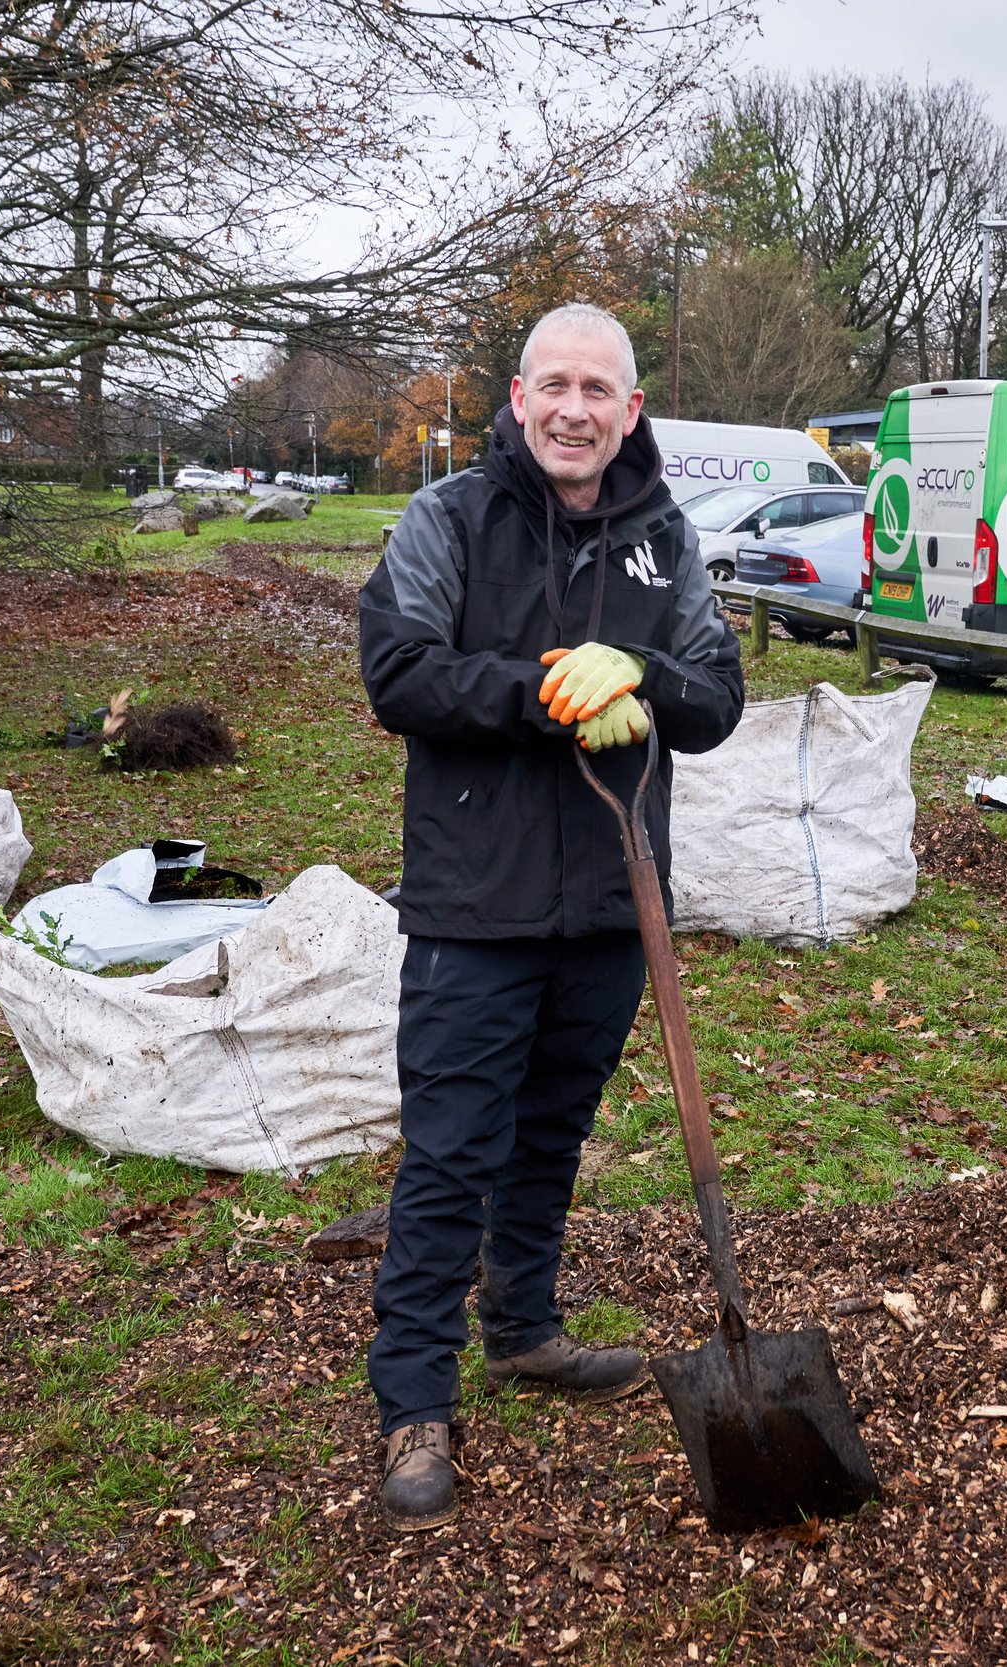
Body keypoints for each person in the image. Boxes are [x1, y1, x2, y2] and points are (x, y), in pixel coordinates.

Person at [355, 303, 746, 1531]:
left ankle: (523, 1326)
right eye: (555, 385)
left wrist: (645, 677)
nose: (576, 409)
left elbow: (719, 694)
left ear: (632, 411)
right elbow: (398, 671)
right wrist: (544, 691)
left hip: (613, 894)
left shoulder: (662, 537)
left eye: (601, 390)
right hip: (476, 896)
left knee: (552, 1129)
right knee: (452, 1149)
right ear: (519, 398)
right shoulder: (450, 519)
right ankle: (414, 1398)